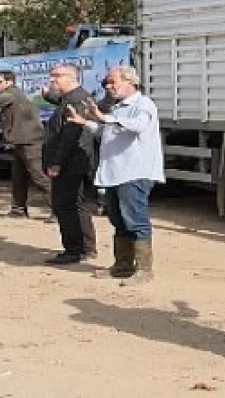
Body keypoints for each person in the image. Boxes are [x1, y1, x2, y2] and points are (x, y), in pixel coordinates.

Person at [65, 66, 163, 285]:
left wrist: (103, 117)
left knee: (136, 220)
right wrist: (88, 123)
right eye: (105, 84)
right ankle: (123, 265)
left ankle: (145, 270)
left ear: (131, 81)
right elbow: (106, 132)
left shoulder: (143, 105)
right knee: (118, 220)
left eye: (112, 82)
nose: (108, 87)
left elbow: (138, 126)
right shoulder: (117, 108)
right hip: (114, 173)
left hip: (134, 172)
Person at [0, 71, 52, 218]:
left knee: (40, 177)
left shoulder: (8, 95)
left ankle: (59, 211)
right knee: (18, 177)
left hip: (29, 142)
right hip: (20, 141)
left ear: (9, 82)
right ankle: (18, 209)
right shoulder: (15, 95)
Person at [42, 64, 98, 264]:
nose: (52, 80)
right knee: (77, 204)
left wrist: (56, 162)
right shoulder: (72, 97)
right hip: (74, 161)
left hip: (72, 162)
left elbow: (71, 134)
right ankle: (85, 248)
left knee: (65, 205)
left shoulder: (76, 99)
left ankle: (75, 249)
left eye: (57, 76)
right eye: (51, 76)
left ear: (72, 78)